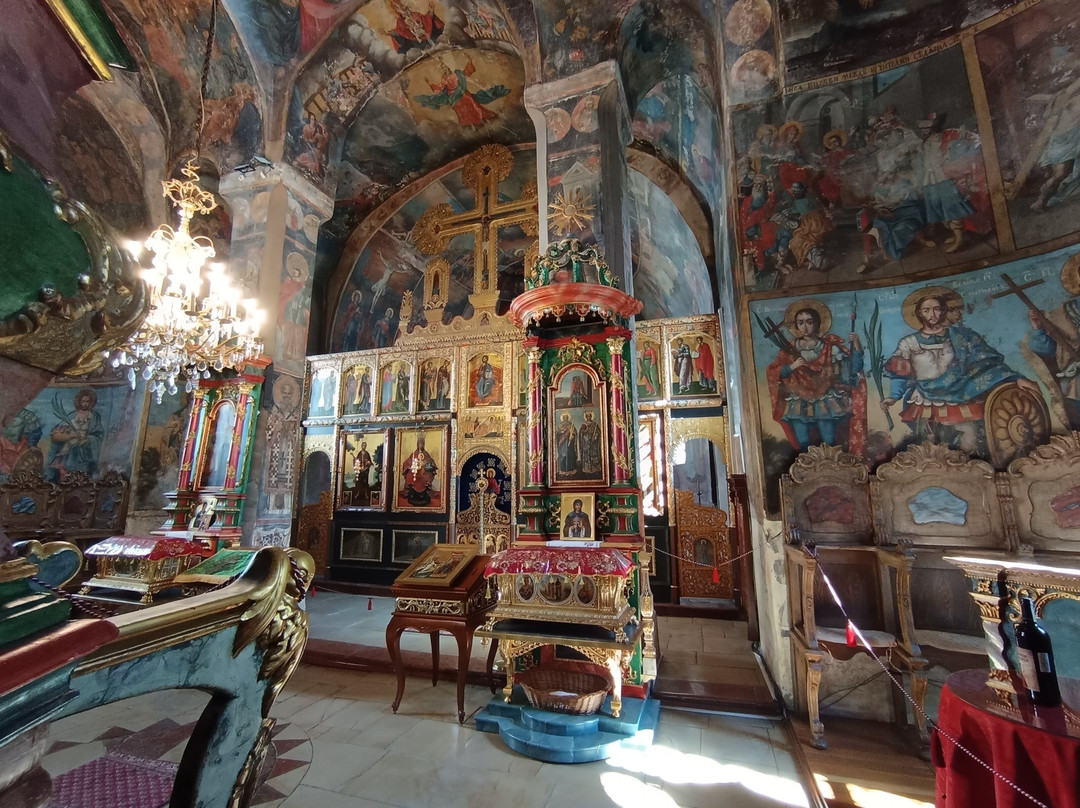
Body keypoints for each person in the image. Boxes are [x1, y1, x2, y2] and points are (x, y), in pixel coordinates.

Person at [882, 290, 1039, 454]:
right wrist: (893, 397)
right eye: (926, 310)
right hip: (925, 399)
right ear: (919, 313)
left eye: (936, 309)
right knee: (930, 447)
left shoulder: (962, 336)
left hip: (962, 393)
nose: (932, 314)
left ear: (943, 311)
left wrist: (1015, 378)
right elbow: (900, 374)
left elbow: (987, 363)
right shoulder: (908, 343)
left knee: (970, 440)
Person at [766, 301, 866, 454]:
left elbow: (852, 369)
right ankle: (807, 466)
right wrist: (792, 367)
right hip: (798, 399)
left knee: (829, 440)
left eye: (809, 322)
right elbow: (775, 372)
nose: (805, 327)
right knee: (803, 441)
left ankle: (831, 465)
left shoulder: (829, 348)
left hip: (825, 398)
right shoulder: (790, 348)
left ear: (818, 324)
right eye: (800, 322)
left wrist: (857, 346)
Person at [415, 58, 510, 128]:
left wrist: (469, 62)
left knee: (474, 106)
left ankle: (482, 120)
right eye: (443, 68)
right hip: (455, 99)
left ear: (448, 67)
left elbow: (466, 72)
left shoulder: (457, 73)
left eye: (446, 67)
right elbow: (439, 88)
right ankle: (471, 125)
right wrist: (429, 83)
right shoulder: (445, 78)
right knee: (463, 113)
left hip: (463, 95)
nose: (445, 69)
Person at [47, 388, 104, 482]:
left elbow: (99, 433)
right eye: (83, 401)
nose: (85, 404)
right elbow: (58, 431)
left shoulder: (94, 416)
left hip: (86, 450)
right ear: (79, 402)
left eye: (87, 401)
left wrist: (88, 439)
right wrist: (69, 436)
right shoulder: (72, 415)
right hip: (70, 448)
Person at [401, 433, 438, 506]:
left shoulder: (426, 454)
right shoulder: (414, 454)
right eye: (419, 444)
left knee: (427, 476)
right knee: (410, 475)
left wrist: (426, 464)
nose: (421, 445)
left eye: (422, 444)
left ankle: (423, 494)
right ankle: (413, 494)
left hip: (424, 472)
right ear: (417, 444)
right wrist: (410, 466)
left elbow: (431, 462)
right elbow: (407, 462)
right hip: (415, 471)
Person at [578, 411, 603, 476]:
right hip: (586, 443)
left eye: (589, 416)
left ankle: (595, 468)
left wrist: (596, 435)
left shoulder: (595, 424)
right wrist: (584, 431)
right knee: (587, 456)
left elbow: (598, 432)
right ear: (586, 417)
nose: (588, 417)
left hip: (593, 443)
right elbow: (581, 434)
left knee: (594, 455)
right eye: (587, 416)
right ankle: (587, 469)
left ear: (591, 416)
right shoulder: (584, 425)